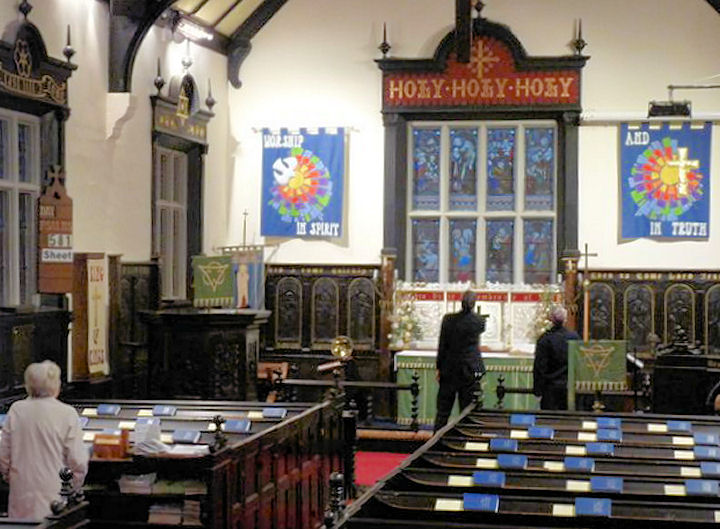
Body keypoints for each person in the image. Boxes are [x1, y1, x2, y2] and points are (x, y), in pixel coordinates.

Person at [0, 360, 89, 519]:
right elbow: (78, 461)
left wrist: (11, 478)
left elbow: (4, 456)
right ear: (55, 385)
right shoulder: (67, 413)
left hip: (22, 490)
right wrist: (73, 487)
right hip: (56, 492)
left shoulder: (16, 410)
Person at [434, 290, 486, 431]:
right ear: (474, 304)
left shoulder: (448, 319)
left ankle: (437, 439)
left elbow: (442, 345)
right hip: (469, 370)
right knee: (466, 411)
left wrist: (439, 367)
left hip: (449, 369)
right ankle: (464, 438)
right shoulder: (479, 321)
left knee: (443, 411)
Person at [532, 305, 580, 410]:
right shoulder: (574, 338)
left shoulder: (545, 339)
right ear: (565, 319)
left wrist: (537, 391)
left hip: (550, 389)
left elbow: (540, 367)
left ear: (551, 319)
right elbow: (579, 363)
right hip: (570, 388)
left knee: (549, 418)